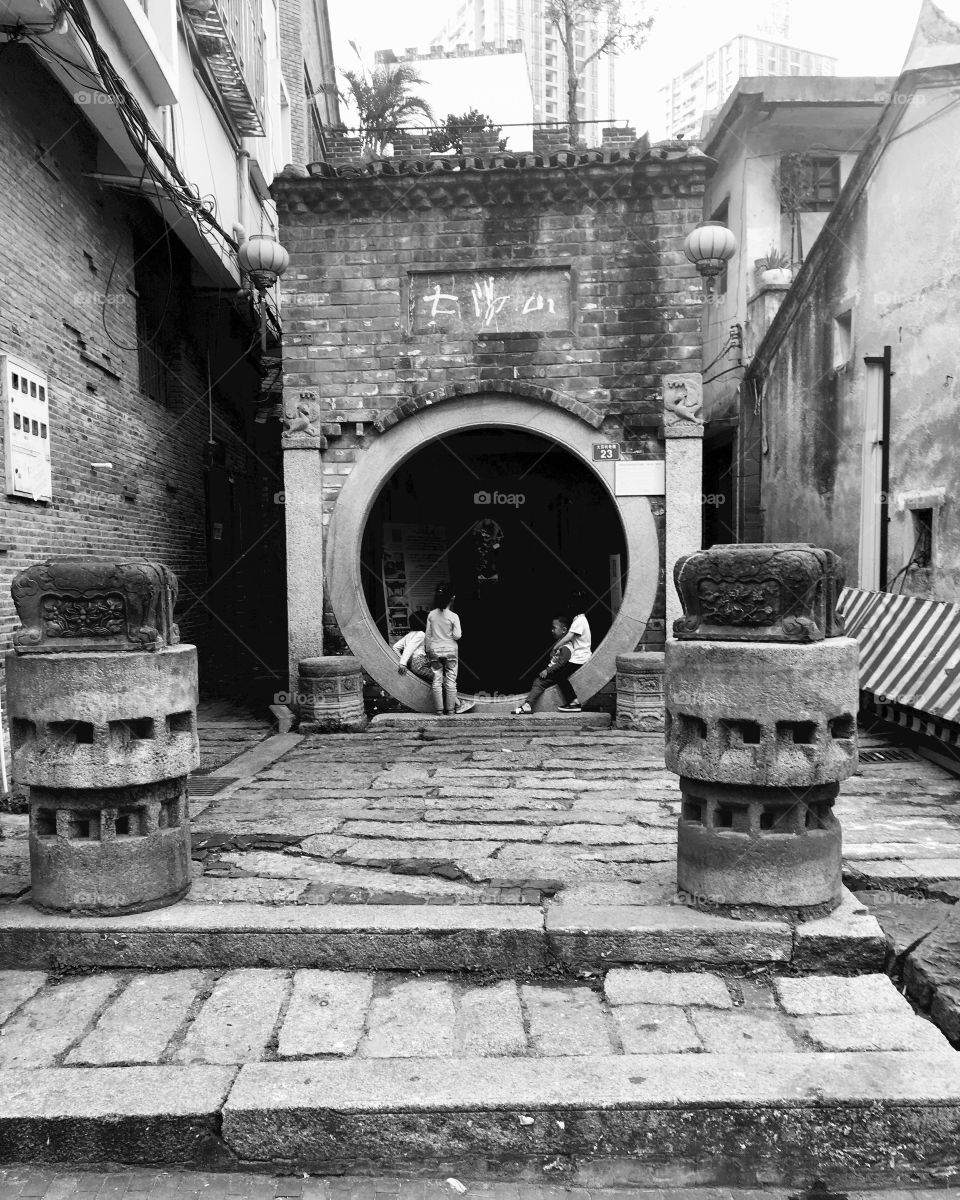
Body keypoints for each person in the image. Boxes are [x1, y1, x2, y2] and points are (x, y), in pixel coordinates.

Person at [424, 583, 474, 716]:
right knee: (451, 681)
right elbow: (458, 636)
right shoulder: (453, 616)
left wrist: (428, 650)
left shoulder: (431, 615)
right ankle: (451, 710)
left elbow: (428, 635)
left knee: (437, 680)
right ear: (452, 598)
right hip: (451, 651)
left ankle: (439, 710)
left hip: (434, 651)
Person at [512, 615, 572, 714]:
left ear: (564, 630)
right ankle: (527, 704)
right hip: (554, 671)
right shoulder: (561, 644)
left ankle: (528, 705)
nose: (552, 630)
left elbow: (562, 662)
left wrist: (547, 671)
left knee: (539, 683)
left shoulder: (566, 646)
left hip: (556, 673)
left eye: (554, 628)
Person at [553, 592, 592, 712]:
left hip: (581, 657)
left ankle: (574, 702)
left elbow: (569, 636)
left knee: (560, 676)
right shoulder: (579, 620)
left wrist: (556, 647)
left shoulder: (580, 620)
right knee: (560, 673)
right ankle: (572, 702)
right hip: (578, 656)